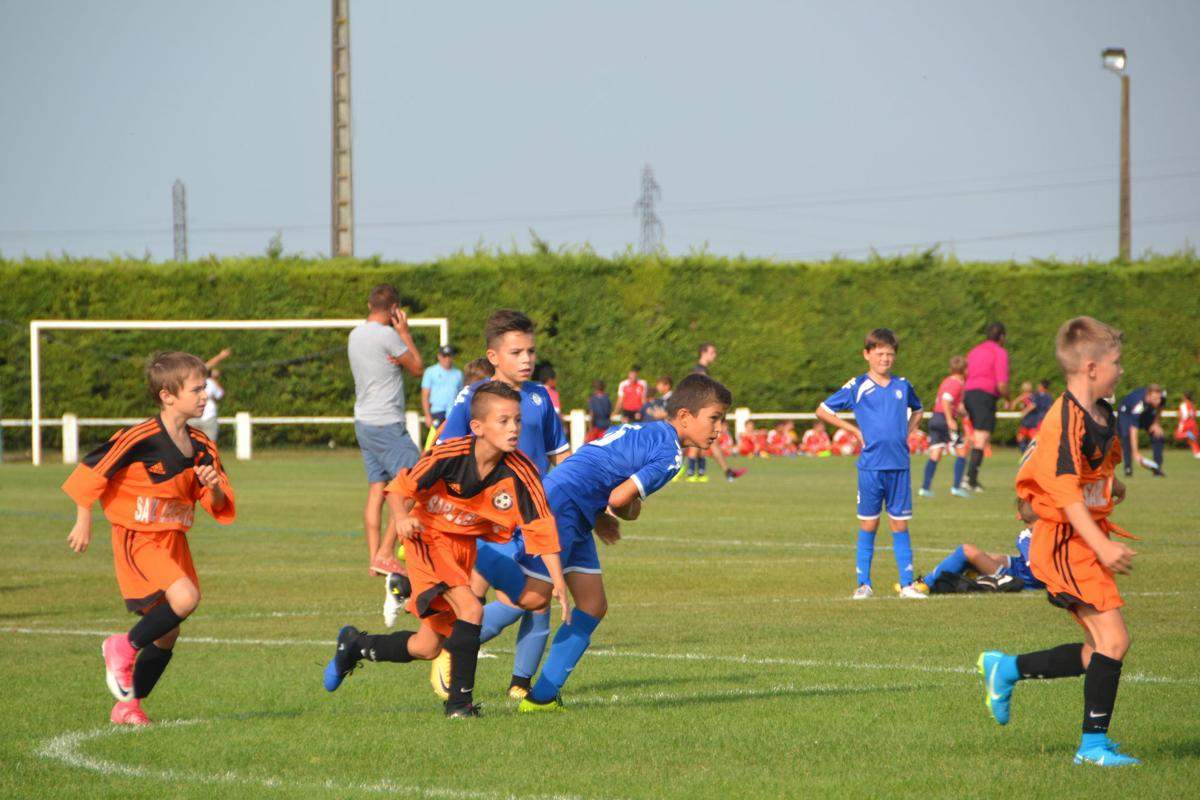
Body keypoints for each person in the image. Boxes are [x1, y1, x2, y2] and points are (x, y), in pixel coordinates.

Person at [469, 372, 732, 711]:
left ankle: (542, 698)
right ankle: (454, 643)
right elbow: (621, 498)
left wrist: (598, 516)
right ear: (684, 416)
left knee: (593, 604)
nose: (720, 429)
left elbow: (597, 466)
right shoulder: (671, 454)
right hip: (563, 508)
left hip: (573, 506)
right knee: (531, 597)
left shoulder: (641, 428)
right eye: (714, 419)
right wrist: (627, 512)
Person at [322, 382, 570, 718]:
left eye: (517, 421)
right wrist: (401, 517)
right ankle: (459, 706)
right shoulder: (450, 454)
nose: (513, 429)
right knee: (472, 609)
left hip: (462, 549)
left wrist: (558, 584)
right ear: (477, 427)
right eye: (503, 421)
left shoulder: (522, 471)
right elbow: (398, 489)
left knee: (426, 647)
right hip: (427, 537)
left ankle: (354, 646)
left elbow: (541, 527)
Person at [978, 316, 1141, 766]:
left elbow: (1097, 473)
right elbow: (1065, 493)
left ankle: (1005, 669)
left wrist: (1113, 487)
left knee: (1098, 651)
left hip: (1084, 540)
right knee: (1115, 640)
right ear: (1090, 367)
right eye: (1115, 363)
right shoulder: (1063, 418)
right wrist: (1103, 545)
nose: (1121, 371)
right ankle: (1091, 748)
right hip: (1065, 543)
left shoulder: (1103, 413)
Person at [63, 351, 236, 726]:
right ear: (167, 396)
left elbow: (218, 503)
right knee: (186, 598)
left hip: (173, 540)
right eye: (196, 389)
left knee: (168, 632)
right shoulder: (140, 437)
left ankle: (129, 705)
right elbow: (93, 470)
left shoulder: (203, 445)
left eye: (205, 388)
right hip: (138, 537)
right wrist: (84, 517)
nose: (204, 396)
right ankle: (121, 646)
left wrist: (213, 489)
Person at [434, 309, 569, 700]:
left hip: (535, 516)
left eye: (530, 351)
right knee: (519, 599)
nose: (527, 359)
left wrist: (576, 499)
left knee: (540, 604)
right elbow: (445, 453)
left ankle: (520, 685)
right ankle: (452, 647)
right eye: (516, 352)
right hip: (490, 520)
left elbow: (560, 456)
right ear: (493, 356)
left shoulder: (540, 397)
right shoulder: (473, 398)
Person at [817, 328, 925, 600]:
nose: (885, 359)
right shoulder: (858, 386)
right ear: (867, 355)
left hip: (899, 466)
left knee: (900, 525)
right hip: (871, 467)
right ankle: (863, 584)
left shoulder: (903, 385)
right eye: (879, 354)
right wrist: (853, 430)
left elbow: (919, 409)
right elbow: (823, 410)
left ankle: (907, 584)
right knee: (869, 525)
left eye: (889, 354)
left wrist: (908, 431)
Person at [347, 284, 425, 580]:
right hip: (386, 422)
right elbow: (417, 367)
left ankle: (375, 559)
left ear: (369, 304)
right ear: (394, 309)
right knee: (414, 479)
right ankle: (387, 553)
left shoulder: (355, 334)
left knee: (378, 489)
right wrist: (404, 333)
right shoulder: (389, 336)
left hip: (363, 422)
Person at [920, 499, 1044, 593]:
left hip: (1022, 580)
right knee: (989, 557)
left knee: (966, 551)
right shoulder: (1052, 530)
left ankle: (924, 584)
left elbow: (1038, 569)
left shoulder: (1026, 537)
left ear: (1019, 516)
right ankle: (975, 572)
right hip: (1021, 569)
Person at [683, 343, 746, 482]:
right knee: (698, 441)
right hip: (700, 412)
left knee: (707, 441)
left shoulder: (702, 370)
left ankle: (718, 471)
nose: (715, 355)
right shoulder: (700, 371)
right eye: (712, 352)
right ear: (703, 353)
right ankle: (690, 472)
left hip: (700, 411)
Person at [962, 322, 1009, 492]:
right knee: (981, 437)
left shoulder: (974, 351)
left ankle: (967, 476)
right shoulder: (1000, 352)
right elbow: (1002, 383)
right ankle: (970, 479)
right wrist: (1007, 398)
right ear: (1002, 337)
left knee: (976, 436)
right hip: (984, 395)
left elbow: (966, 373)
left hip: (969, 393)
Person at [920, 355, 970, 498]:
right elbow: (946, 400)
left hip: (935, 418)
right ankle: (956, 487)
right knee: (962, 452)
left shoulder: (947, 381)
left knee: (936, 453)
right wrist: (950, 420)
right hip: (944, 419)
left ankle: (925, 488)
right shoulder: (956, 383)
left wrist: (963, 412)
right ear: (964, 369)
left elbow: (952, 402)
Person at [1117, 383, 1165, 477]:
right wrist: (1136, 453)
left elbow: (1161, 407)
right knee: (1126, 436)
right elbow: (1134, 430)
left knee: (1158, 434)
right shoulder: (1139, 405)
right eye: (1155, 399)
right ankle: (1128, 468)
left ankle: (1157, 468)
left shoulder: (1161, 397)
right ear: (1148, 396)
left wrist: (1156, 423)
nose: (1158, 401)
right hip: (1126, 413)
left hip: (1146, 413)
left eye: (1159, 398)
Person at [187, 348, 230, 442]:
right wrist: (221, 356)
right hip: (195, 417)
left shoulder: (208, 381)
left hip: (205, 417)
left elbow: (220, 394)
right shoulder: (190, 378)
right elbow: (208, 366)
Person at [420, 344, 463, 438]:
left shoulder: (458, 374)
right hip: (437, 411)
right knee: (434, 440)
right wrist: (427, 415)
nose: (447, 359)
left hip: (452, 412)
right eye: (444, 356)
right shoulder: (430, 371)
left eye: (449, 356)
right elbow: (425, 395)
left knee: (452, 440)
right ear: (439, 356)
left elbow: (461, 395)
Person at [1174, 390, 1200, 457]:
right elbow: (1194, 414)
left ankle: (1187, 434)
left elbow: (1185, 415)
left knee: (1178, 435)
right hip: (1193, 423)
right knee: (1193, 439)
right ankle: (1197, 453)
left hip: (1185, 422)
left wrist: (1182, 422)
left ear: (1185, 397)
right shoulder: (1192, 404)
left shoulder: (1183, 404)